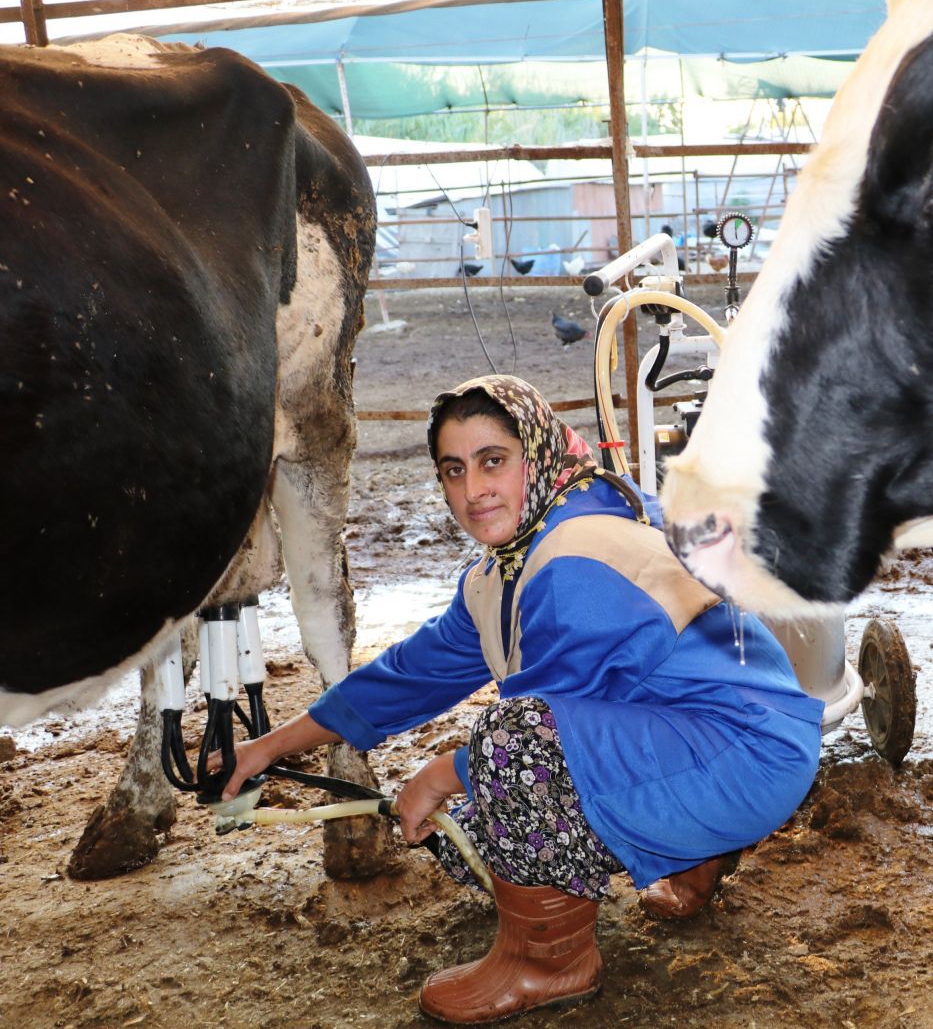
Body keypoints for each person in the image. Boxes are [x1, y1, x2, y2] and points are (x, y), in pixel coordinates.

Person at [218, 375, 823, 1024]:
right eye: (453, 470)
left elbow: (543, 731)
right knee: (468, 835)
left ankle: (548, 962)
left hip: (745, 754)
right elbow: (408, 673)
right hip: (701, 744)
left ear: (535, 454)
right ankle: (693, 852)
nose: (473, 490)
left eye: (493, 461)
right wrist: (268, 747)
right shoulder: (512, 560)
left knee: (508, 753)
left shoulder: (571, 552)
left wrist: (438, 772)